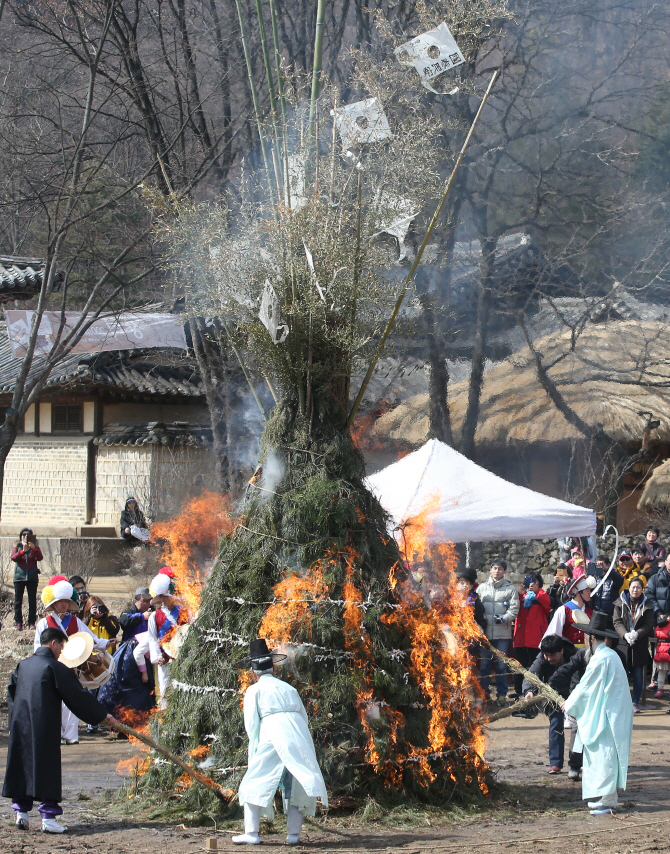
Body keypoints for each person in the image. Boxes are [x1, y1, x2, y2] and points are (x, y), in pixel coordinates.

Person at [3, 627, 118, 833]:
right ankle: (48, 819)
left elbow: (11, 695)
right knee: (46, 769)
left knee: (22, 766)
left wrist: (13, 722)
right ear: (53, 644)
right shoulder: (55, 667)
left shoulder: (22, 665)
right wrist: (101, 716)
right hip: (44, 726)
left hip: (20, 726)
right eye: (61, 647)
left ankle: (21, 814)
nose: (61, 652)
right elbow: (77, 697)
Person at [233, 639, 328, 845]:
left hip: (272, 733)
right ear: (272, 667)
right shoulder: (288, 688)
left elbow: (252, 726)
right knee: (296, 782)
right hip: (297, 734)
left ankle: (252, 833)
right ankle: (293, 835)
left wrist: (256, 747)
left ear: (253, 671)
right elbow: (303, 717)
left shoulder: (254, 691)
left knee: (254, 780)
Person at [563, 611, 634, 815]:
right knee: (606, 754)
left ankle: (608, 800)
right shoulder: (607, 655)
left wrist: (569, 704)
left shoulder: (601, 658)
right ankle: (607, 798)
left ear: (592, 637)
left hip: (609, 714)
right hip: (611, 710)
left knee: (605, 755)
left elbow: (586, 688)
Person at [33, 576, 111, 745]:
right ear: (53, 603)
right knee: (53, 701)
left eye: (66, 601)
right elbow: (37, 646)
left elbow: (91, 639)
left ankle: (70, 735)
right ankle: (56, 735)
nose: (63, 604)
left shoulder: (75, 621)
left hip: (72, 668)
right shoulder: (44, 623)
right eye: (60, 601)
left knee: (71, 701)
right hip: (51, 667)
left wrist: (106, 643)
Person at [522, 634, 578, 774]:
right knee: (555, 725)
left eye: (552, 655)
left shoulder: (576, 655)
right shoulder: (542, 658)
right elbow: (531, 675)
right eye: (546, 655)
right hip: (552, 693)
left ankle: (576, 764)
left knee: (579, 728)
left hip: (575, 693)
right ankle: (555, 764)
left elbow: (581, 679)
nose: (549, 659)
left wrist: (573, 698)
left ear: (562, 651)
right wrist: (529, 691)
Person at [477, 559, 520, 706]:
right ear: (490, 570)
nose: (497, 571)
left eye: (500, 569)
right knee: (484, 665)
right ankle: (484, 694)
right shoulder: (481, 588)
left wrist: (504, 618)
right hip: (485, 633)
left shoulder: (510, 589)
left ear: (504, 571)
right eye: (494, 568)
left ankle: (502, 695)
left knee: (502, 665)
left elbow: (514, 609)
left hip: (503, 634)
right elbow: (476, 608)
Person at [147, 570, 189, 707]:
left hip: (182, 659)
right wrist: (157, 655)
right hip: (165, 660)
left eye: (163, 598)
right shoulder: (155, 616)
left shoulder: (185, 612)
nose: (162, 602)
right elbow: (152, 638)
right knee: (165, 691)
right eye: (160, 599)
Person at [613, 576, 655, 713]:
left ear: (642, 589)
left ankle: (635, 702)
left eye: (638, 587)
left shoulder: (648, 604)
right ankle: (622, 702)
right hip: (623, 644)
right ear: (628, 588)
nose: (635, 590)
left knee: (638, 676)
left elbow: (648, 624)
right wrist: (625, 634)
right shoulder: (620, 603)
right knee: (622, 675)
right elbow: (617, 621)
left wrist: (637, 634)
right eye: (633, 587)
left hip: (640, 643)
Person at [512, 574, 551, 697]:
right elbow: (513, 609)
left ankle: (536, 691)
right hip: (521, 636)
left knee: (538, 666)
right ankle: (519, 691)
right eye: (529, 581)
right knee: (518, 665)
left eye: (535, 582)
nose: (532, 584)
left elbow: (548, 606)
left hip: (536, 637)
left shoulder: (542, 595)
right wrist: (519, 594)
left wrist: (537, 591)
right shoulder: (521, 596)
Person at [544, 576, 594, 647]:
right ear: (578, 593)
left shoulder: (591, 611)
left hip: (586, 652)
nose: (590, 593)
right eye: (587, 591)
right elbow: (554, 633)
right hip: (568, 652)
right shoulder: (563, 610)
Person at [11, 528, 43, 631]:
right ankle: (19, 622)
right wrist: (22, 551)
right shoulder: (17, 545)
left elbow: (40, 557)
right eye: (23, 535)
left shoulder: (35, 547)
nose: (25, 536)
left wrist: (34, 549)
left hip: (32, 577)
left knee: (32, 601)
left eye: (28, 534)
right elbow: (13, 557)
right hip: (19, 577)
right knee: (18, 601)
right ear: (20, 537)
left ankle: (31, 622)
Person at [652, 617, 670, 706]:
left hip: (666, 650)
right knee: (661, 671)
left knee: (662, 671)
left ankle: (661, 689)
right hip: (662, 649)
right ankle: (660, 688)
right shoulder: (658, 627)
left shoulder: (660, 626)